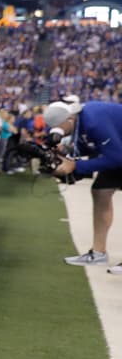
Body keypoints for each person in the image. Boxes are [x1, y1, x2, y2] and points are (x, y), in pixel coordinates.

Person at [49, 99, 122, 275]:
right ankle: (98, 253)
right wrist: (65, 155)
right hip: (119, 149)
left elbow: (116, 158)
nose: (60, 133)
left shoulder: (94, 119)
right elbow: (90, 146)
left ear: (69, 119)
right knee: (101, 191)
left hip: (119, 153)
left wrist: (76, 166)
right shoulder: (83, 119)